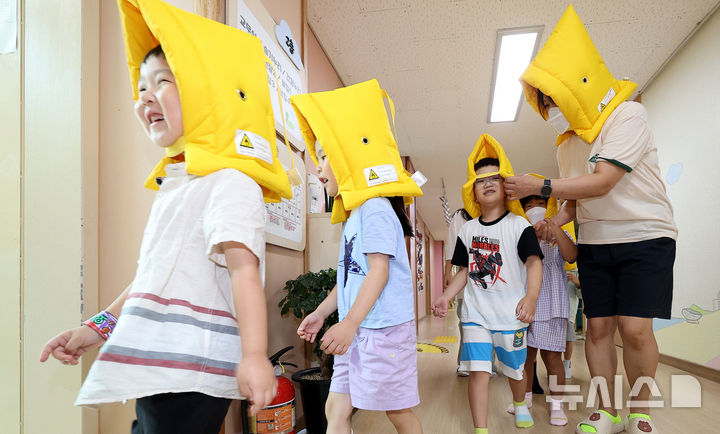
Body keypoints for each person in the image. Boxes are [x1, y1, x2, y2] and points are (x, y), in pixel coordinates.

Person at [39, 1, 295, 432]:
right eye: (140, 87)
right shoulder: (179, 185)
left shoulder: (230, 181)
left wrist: (254, 355)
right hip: (164, 365)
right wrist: (96, 328)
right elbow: (151, 280)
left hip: (187, 368)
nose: (145, 98)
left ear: (208, 92)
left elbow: (244, 269)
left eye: (164, 81)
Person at [508, 5, 678, 434]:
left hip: (645, 235)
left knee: (636, 329)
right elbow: (576, 201)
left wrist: (541, 186)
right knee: (597, 328)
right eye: (544, 104)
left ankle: (640, 410)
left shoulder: (628, 116)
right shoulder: (566, 145)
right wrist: (555, 223)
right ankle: (607, 411)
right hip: (596, 244)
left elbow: (602, 181)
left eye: (552, 100)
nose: (550, 111)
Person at [291, 79, 424, 434]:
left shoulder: (376, 209)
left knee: (398, 412)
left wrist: (349, 323)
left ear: (348, 156)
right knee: (336, 407)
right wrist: (322, 313)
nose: (318, 169)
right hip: (358, 328)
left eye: (323, 157)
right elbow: (349, 278)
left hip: (382, 331)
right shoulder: (354, 216)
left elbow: (378, 272)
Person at [432, 134, 543, 434]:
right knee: (479, 372)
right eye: (481, 181)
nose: (488, 183)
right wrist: (446, 297)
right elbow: (464, 271)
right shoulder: (467, 230)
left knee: (514, 370)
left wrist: (531, 298)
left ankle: (520, 403)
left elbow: (534, 262)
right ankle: (481, 428)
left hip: (511, 315)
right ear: (473, 192)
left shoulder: (520, 227)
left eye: (495, 178)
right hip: (476, 314)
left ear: (507, 187)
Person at [507, 193, 577, 426]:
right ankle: (525, 398)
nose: (535, 208)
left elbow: (572, 256)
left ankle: (557, 405)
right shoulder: (520, 234)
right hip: (525, 303)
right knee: (525, 356)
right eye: (529, 206)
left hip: (553, 304)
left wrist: (555, 229)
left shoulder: (560, 233)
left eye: (540, 204)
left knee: (552, 357)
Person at [445, 208, 472, 377]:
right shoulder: (460, 216)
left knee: (491, 326)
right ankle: (464, 362)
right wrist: (447, 273)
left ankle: (488, 364)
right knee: (466, 324)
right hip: (466, 279)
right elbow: (452, 247)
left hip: (492, 283)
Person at [565, 267, 582, 379]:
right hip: (553, 311)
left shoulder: (577, 270)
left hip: (569, 311)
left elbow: (580, 295)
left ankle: (567, 364)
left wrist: (577, 282)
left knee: (568, 340)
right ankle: (553, 366)